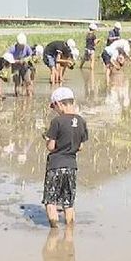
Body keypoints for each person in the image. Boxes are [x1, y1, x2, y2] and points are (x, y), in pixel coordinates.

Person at [42, 87, 89, 227]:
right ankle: (69, 232)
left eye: (54, 107)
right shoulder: (81, 122)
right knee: (68, 203)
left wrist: (46, 139)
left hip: (55, 165)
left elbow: (51, 146)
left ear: (59, 104)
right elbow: (80, 147)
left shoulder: (57, 122)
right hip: (71, 166)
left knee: (50, 202)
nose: (54, 110)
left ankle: (54, 231)